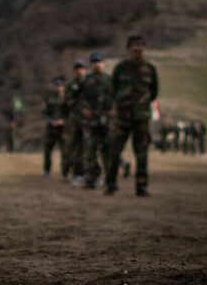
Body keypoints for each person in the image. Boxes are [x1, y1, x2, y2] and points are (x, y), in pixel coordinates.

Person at [109, 35, 158, 197]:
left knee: (142, 153)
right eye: (133, 45)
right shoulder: (121, 68)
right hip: (122, 118)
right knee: (115, 150)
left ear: (143, 47)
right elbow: (113, 90)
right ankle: (111, 184)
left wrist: (141, 107)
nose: (136, 48)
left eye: (139, 45)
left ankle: (141, 186)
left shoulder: (150, 69)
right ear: (128, 48)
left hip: (141, 118)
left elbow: (153, 93)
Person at [80, 52, 113, 190]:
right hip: (91, 122)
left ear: (103, 64)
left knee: (108, 151)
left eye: (99, 62)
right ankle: (91, 179)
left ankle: (110, 179)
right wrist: (84, 110)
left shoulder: (109, 80)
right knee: (90, 150)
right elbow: (79, 98)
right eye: (94, 62)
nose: (97, 65)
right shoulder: (86, 81)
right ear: (91, 65)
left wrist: (113, 110)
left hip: (106, 121)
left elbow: (116, 97)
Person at [64, 60, 88, 185]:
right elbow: (66, 103)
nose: (79, 71)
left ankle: (91, 173)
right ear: (74, 71)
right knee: (75, 148)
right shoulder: (71, 86)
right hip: (75, 122)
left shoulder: (90, 83)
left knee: (90, 147)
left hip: (89, 121)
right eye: (77, 68)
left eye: (81, 68)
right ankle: (77, 173)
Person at [40, 78, 68, 179]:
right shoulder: (49, 99)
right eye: (57, 86)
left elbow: (70, 113)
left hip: (63, 129)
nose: (58, 88)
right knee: (47, 150)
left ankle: (65, 172)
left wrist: (64, 121)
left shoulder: (67, 98)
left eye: (60, 86)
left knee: (65, 150)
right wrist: (51, 121)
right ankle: (46, 170)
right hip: (51, 128)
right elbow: (44, 113)